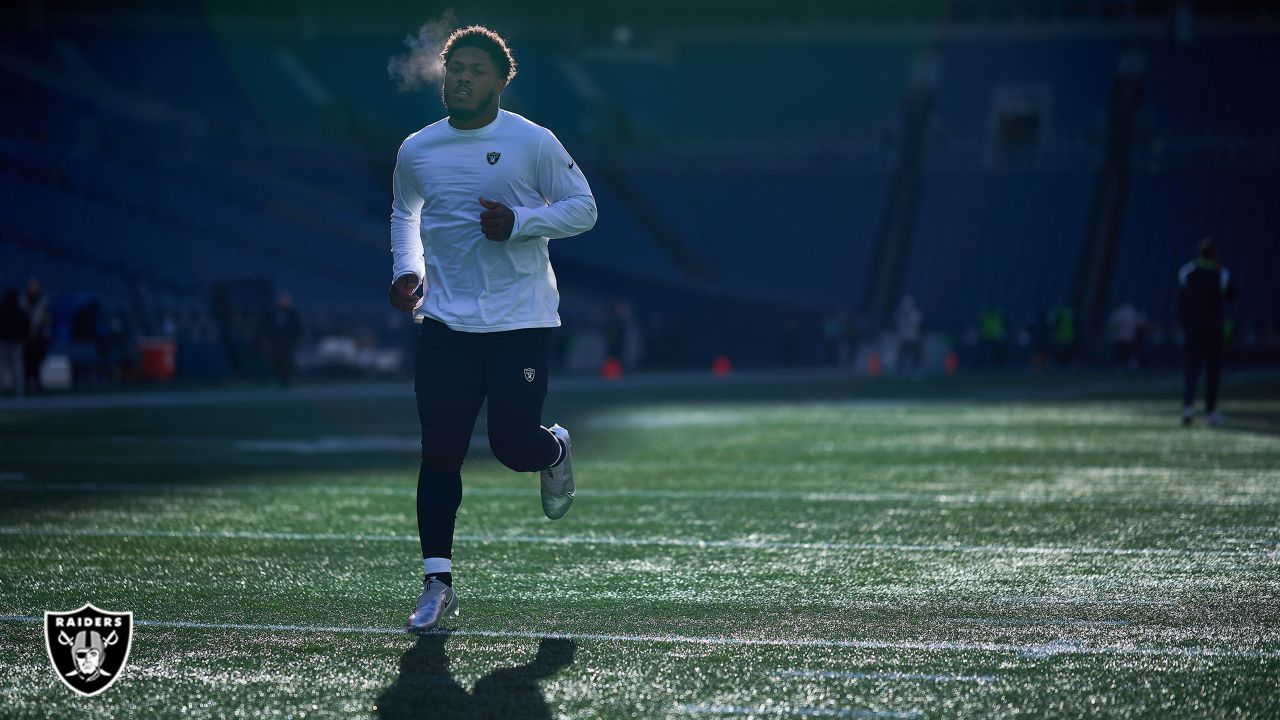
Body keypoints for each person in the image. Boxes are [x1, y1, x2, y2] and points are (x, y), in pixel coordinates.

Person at [388, 26, 597, 632]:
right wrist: (407, 271)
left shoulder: (532, 142)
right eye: (454, 68)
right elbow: (406, 212)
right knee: (440, 452)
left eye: (476, 70)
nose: (462, 78)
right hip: (447, 323)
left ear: (502, 80)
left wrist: (523, 222)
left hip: (520, 321)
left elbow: (583, 207)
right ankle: (437, 582)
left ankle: (553, 447)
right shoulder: (417, 149)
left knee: (511, 447)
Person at [1179, 239, 1236, 426]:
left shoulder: (1187, 272)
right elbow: (1232, 295)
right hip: (1214, 329)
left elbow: (1181, 302)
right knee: (1213, 371)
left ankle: (1187, 408)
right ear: (1215, 255)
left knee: (1191, 370)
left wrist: (1184, 325)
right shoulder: (1221, 273)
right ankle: (1210, 412)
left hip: (1193, 329)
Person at [18, 278, 51, 395]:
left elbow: (46, 319)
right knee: (26, 363)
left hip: (38, 338)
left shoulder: (42, 302)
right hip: (26, 338)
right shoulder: (23, 302)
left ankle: (37, 385)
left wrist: (43, 331)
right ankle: (27, 385)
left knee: (37, 363)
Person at [265, 292, 301, 386]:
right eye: (282, 300)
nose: (283, 302)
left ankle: (288, 379)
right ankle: (278, 379)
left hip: (287, 343)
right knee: (277, 361)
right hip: (276, 343)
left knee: (288, 361)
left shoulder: (292, 314)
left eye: (285, 300)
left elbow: (297, 328)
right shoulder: (273, 313)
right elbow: (268, 328)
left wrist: (294, 340)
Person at [0, 288, 27, 397]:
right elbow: (26, 326)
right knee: (17, 366)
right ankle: (18, 391)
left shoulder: (2, 310)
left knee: (2, 366)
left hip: (5, 342)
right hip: (16, 342)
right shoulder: (20, 310)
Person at [894, 295, 923, 375]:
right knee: (902, 355)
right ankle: (900, 370)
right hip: (904, 338)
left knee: (915, 355)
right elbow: (899, 326)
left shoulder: (915, 314)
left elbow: (917, 326)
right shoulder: (900, 314)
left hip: (913, 338)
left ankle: (916, 370)